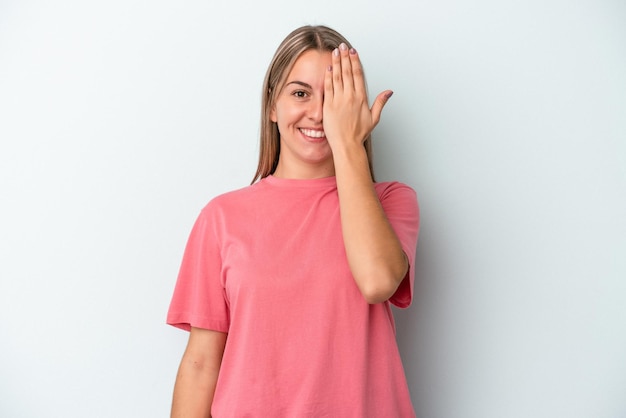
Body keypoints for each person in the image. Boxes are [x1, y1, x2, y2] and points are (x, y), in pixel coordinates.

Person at [167, 25, 420, 417]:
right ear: (272, 105)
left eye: (334, 96)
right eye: (300, 93)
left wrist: (348, 142)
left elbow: (377, 281)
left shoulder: (391, 201)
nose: (319, 113)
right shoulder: (221, 218)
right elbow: (201, 364)